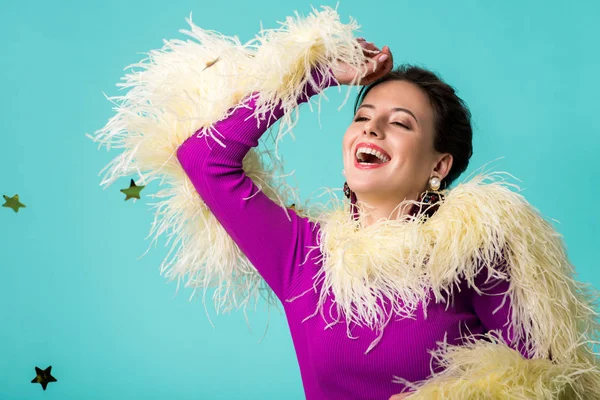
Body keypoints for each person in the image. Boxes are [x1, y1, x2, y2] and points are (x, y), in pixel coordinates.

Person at [91, 8, 600, 399]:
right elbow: (204, 158)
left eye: (401, 123)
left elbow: (543, 383)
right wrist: (320, 75)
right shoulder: (302, 255)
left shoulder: (477, 248)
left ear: (438, 166)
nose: (373, 127)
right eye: (364, 117)